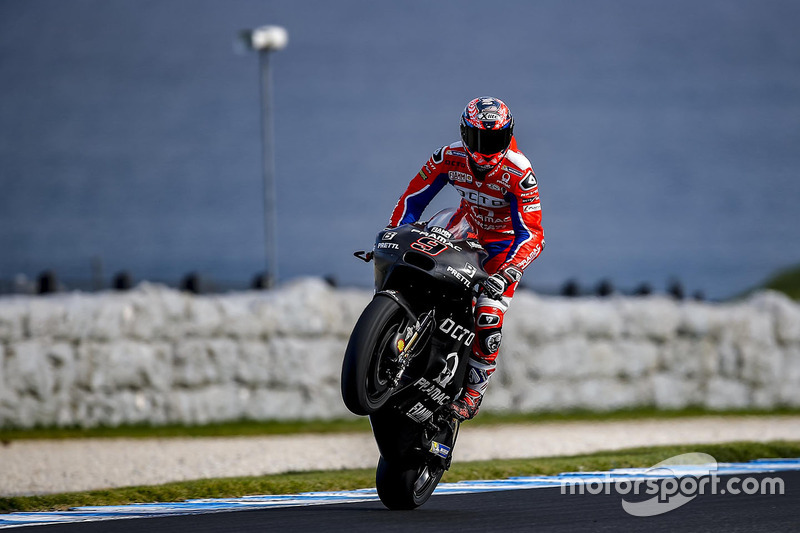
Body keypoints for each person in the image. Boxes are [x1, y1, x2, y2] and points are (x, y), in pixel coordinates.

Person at [387, 96, 545, 421]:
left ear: (508, 136)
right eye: (479, 139)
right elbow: (413, 198)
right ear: (464, 134)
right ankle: (396, 324)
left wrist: (510, 271)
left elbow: (532, 234)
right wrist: (394, 233)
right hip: (464, 228)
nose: (486, 149)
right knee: (412, 253)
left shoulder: (519, 171)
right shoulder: (449, 155)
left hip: (501, 252)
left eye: (494, 140)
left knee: (488, 314)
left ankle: (473, 394)